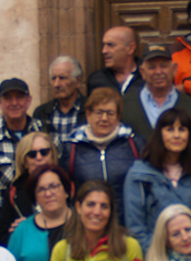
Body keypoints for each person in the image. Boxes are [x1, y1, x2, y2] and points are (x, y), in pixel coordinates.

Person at [124, 107, 191, 250]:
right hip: (155, 258)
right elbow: (135, 228)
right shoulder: (139, 174)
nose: (176, 135)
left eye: (182, 129)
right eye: (170, 129)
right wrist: (158, 257)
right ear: (159, 134)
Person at [0, 78, 51, 235]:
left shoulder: (45, 131)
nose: (14, 103)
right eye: (8, 98)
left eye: (19, 97)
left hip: (42, 221)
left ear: (29, 101)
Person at [61, 87, 145, 228]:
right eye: (99, 112)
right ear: (88, 115)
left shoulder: (134, 144)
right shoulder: (72, 148)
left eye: (110, 113)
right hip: (87, 227)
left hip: (127, 225)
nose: (104, 118)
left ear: (118, 117)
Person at [7, 165, 73, 261]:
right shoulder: (22, 231)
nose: (48, 193)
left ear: (66, 191)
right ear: (35, 198)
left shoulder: (84, 225)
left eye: (53, 186)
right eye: (41, 190)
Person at [121, 43, 191, 141]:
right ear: (142, 72)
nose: (158, 72)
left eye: (163, 66)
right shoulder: (125, 105)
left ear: (174, 69)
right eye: (152, 67)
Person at [0, 130, 57, 242]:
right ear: (25, 163)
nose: (39, 157)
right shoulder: (14, 192)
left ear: (52, 156)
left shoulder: (68, 185)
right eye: (32, 154)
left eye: (44, 152)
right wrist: (15, 232)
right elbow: (0, 236)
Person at [34, 56, 86, 146]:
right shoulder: (41, 113)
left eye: (62, 78)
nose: (56, 84)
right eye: (53, 78)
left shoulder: (91, 109)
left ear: (78, 81)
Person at [88, 26, 141, 97]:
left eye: (110, 45)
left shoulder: (146, 76)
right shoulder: (97, 79)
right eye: (104, 45)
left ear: (130, 48)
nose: (104, 51)